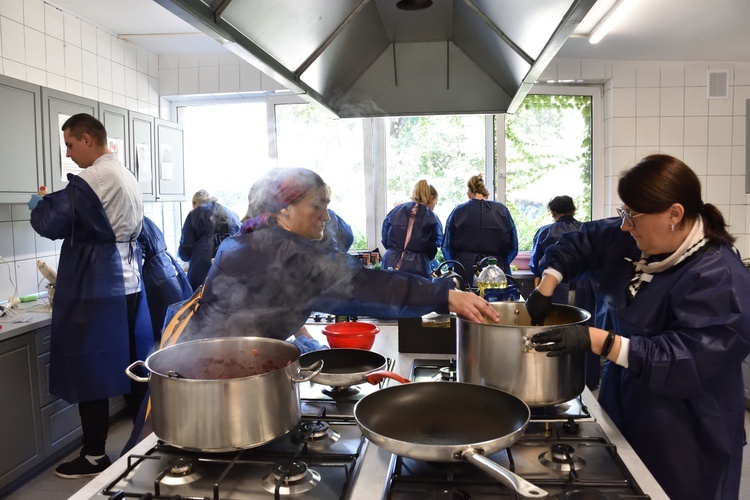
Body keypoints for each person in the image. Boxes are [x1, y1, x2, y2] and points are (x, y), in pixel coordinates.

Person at [526, 154, 750, 499]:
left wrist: (598, 340)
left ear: (674, 214)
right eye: (624, 213)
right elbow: (582, 241)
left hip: (687, 435)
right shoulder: (634, 238)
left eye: (632, 216)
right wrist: (549, 282)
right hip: (626, 404)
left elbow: (685, 360)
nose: (625, 225)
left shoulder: (720, 278)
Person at [172, 168, 499, 345]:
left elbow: (268, 300)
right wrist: (443, 295)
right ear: (284, 209)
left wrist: (299, 335)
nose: (326, 217)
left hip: (215, 361)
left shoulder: (257, 238)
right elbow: (360, 284)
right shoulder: (279, 250)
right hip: (206, 377)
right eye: (318, 206)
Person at [28, 113, 151, 479]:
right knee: (135, 371)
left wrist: (39, 204)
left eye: (69, 144)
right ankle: (150, 440)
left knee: (90, 369)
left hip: (97, 285)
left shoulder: (92, 178)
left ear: (86, 139)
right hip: (129, 285)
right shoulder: (125, 175)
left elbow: (51, 223)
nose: (68, 154)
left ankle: (95, 455)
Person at [529, 195, 599, 388]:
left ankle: (555, 383)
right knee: (588, 332)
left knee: (555, 333)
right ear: (574, 210)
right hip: (587, 288)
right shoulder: (589, 230)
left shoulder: (544, 232)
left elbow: (536, 263)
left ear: (553, 213)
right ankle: (589, 382)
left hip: (555, 287)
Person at [442, 174, 518, 286]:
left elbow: (447, 246)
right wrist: (502, 263)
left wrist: (457, 263)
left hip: (464, 269)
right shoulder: (502, 211)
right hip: (495, 270)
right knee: (494, 301)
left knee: (466, 301)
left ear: (469, 194)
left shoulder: (458, 211)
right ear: (487, 195)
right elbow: (513, 246)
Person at [138, 216, 193, 342]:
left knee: (162, 333)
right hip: (167, 275)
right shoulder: (144, 220)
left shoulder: (131, 225)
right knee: (174, 331)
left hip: (155, 281)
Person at [178, 190, 241, 290]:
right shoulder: (232, 214)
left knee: (201, 301)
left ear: (196, 203)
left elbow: (186, 249)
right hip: (231, 269)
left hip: (202, 272)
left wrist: (186, 258)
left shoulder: (194, 214)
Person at [381, 179, 442, 278]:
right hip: (417, 266)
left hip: (390, 262)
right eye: (435, 202)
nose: (434, 206)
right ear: (431, 198)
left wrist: (395, 251)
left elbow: (385, 238)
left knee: (390, 292)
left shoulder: (395, 211)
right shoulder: (431, 217)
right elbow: (433, 246)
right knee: (415, 293)